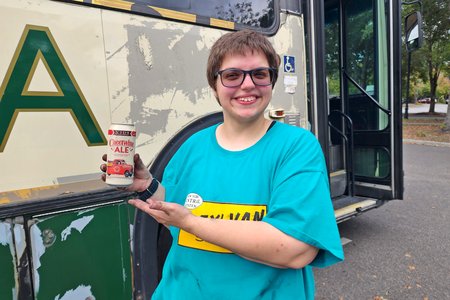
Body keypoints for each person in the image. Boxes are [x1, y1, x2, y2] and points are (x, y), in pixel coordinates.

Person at [101, 29, 343, 299]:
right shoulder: (192, 146)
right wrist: (148, 187)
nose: (247, 84)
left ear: (272, 82)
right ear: (214, 86)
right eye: (232, 76)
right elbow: (178, 213)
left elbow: (295, 249)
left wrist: (193, 223)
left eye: (259, 74)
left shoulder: (296, 146)